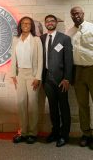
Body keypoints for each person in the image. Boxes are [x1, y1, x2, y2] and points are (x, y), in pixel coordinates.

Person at [41, 14, 73, 147]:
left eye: (52, 21)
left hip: (61, 79)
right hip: (46, 78)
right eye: (47, 21)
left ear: (56, 23)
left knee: (63, 106)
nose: (49, 23)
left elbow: (68, 60)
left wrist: (67, 78)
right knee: (52, 107)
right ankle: (55, 132)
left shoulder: (64, 38)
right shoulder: (41, 39)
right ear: (45, 23)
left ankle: (64, 135)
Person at [11, 16, 43, 144]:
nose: (26, 25)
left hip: (32, 74)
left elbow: (40, 59)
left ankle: (33, 133)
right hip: (20, 74)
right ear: (20, 25)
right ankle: (23, 132)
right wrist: (13, 74)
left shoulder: (36, 40)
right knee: (21, 104)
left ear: (31, 26)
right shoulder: (15, 39)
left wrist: (38, 77)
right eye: (24, 23)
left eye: (28, 24)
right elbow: (13, 58)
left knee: (33, 104)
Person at [67, 6, 93, 149]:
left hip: (92, 68)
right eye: (73, 14)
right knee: (82, 105)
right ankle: (86, 134)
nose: (76, 15)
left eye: (78, 13)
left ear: (83, 14)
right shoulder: (69, 32)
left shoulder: (91, 27)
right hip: (77, 71)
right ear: (71, 16)